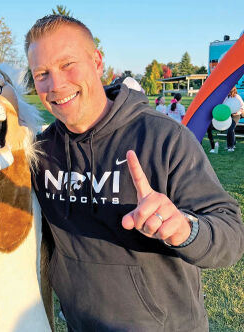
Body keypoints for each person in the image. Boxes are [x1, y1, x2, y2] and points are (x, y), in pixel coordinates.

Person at [26, 14, 244, 332]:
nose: (56, 84)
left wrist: (185, 230)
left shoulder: (162, 137)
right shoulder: (42, 153)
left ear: (97, 62)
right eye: (42, 73)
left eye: (67, 64)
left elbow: (231, 236)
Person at [225, 87, 244, 152]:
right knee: (230, 129)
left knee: (230, 129)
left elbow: (242, 107)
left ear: (232, 90)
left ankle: (230, 146)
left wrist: (237, 112)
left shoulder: (236, 97)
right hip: (229, 115)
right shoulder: (226, 97)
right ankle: (234, 143)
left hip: (237, 114)